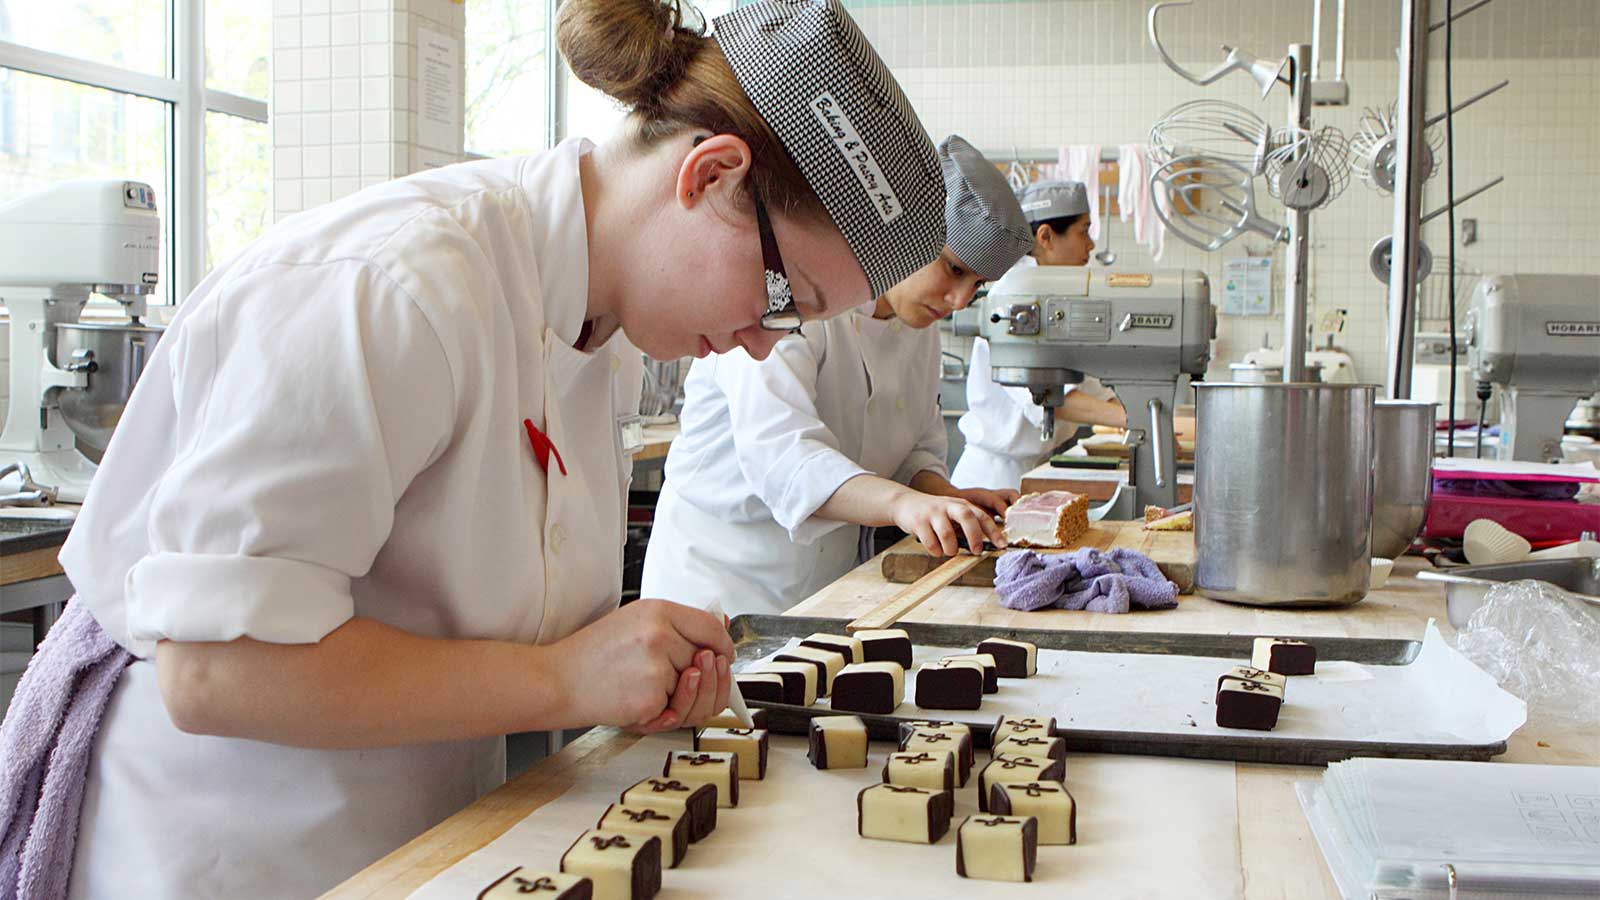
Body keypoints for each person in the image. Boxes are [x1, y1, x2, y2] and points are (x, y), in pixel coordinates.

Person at [0, 1, 947, 896]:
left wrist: (622, 657)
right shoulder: (396, 286)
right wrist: (565, 676)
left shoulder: (601, 334)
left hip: (414, 840)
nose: (760, 344)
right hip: (231, 847)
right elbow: (217, 671)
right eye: (785, 303)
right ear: (709, 176)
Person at [641, 135, 1033, 618]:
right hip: (718, 582)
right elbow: (783, 455)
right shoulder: (798, 298)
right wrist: (901, 505)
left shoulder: (919, 325)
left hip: (826, 590)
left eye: (975, 287)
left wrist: (943, 498)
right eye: (952, 269)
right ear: (907, 234)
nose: (956, 301)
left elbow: (913, 449)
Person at [951, 180, 1137, 490]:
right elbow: (1049, 397)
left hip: (1034, 468)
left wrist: (1133, 407)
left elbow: (1087, 383)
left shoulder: (1055, 296)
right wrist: (1131, 420)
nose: (1091, 245)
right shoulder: (1016, 296)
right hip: (992, 478)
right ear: (1046, 236)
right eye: (1083, 231)